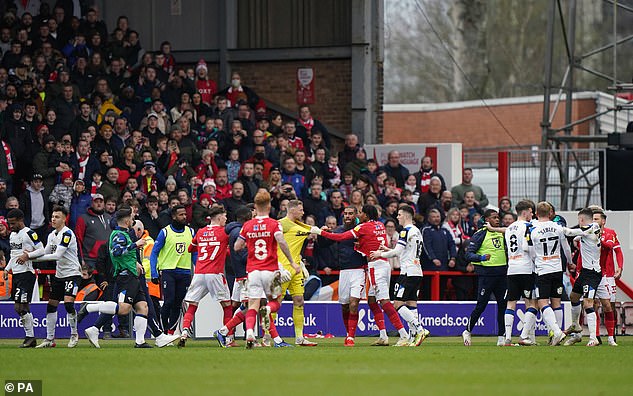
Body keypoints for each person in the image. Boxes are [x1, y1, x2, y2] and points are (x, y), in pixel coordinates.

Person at [311, 204, 410, 346]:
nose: (359, 215)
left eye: (361, 213)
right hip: (380, 264)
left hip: (375, 267)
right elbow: (372, 243)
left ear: (366, 215)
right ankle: (383, 336)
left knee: (384, 301)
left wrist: (320, 232)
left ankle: (404, 334)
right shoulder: (380, 225)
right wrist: (360, 246)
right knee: (371, 300)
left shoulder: (362, 227)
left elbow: (341, 237)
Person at [216, 191, 299, 349]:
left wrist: (250, 245)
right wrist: (291, 262)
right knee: (273, 303)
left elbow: (236, 247)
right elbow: (281, 242)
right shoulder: (274, 224)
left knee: (252, 305)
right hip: (270, 270)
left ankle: (248, 334)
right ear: (268, 206)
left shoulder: (247, 225)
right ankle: (269, 330)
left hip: (252, 272)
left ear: (255, 206)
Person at [83, 207, 152, 348]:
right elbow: (117, 252)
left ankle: (140, 342)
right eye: (132, 218)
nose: (133, 220)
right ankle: (90, 307)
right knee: (124, 309)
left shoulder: (124, 233)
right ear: (127, 221)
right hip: (125, 276)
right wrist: (135, 245)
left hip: (132, 275)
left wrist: (136, 263)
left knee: (143, 307)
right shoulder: (118, 235)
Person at [22, 206, 82, 348]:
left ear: (64, 219)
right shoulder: (51, 235)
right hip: (59, 275)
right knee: (51, 306)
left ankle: (74, 334)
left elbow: (56, 255)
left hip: (72, 273)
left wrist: (29, 257)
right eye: (53, 216)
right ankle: (49, 339)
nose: (53, 219)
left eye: (57, 217)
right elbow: (44, 252)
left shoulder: (67, 234)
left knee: (68, 304)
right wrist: (30, 255)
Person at [370, 205, 429, 346]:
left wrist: (380, 254)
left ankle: (420, 329)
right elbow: (405, 251)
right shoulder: (417, 231)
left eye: (399, 214)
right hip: (417, 271)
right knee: (411, 303)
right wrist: (389, 249)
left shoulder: (405, 231)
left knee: (397, 304)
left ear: (406, 216)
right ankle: (412, 337)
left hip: (407, 272)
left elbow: (397, 253)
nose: (398, 217)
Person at [179, 206, 232, 347]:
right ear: (219, 217)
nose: (226, 220)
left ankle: (184, 332)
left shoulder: (201, 231)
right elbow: (229, 251)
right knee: (227, 305)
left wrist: (205, 246)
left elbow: (191, 249)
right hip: (214, 273)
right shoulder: (224, 232)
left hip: (199, 273)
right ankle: (227, 338)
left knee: (192, 304)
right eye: (225, 217)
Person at [526, 201, 572, 347]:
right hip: (557, 269)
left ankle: (556, 332)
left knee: (542, 302)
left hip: (543, 269)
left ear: (537, 213)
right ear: (550, 213)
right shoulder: (558, 227)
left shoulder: (533, 229)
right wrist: (570, 262)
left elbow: (531, 251)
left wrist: (536, 261)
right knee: (556, 302)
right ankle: (555, 335)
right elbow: (566, 248)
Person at [273, 200, 317, 346]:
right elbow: (272, 243)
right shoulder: (281, 224)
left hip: (296, 269)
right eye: (301, 210)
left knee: (299, 301)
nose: (303, 213)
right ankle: (267, 337)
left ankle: (299, 337)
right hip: (282, 270)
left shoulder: (301, 226)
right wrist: (277, 265)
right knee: (276, 303)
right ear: (292, 210)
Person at [461, 209, 508, 347]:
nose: (497, 220)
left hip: (502, 275)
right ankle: (467, 331)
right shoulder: (480, 234)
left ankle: (501, 337)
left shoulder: (501, 233)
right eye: (494, 218)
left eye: (498, 217)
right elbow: (468, 255)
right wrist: (480, 258)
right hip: (487, 276)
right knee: (481, 306)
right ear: (487, 220)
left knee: (503, 306)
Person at [499, 200, 539, 345]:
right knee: (532, 304)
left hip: (512, 269)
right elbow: (527, 247)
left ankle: (507, 337)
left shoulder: (509, 228)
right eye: (531, 212)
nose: (532, 215)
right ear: (526, 211)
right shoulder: (528, 226)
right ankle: (524, 336)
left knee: (511, 303)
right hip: (526, 268)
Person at [561, 208, 603, 347]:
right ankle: (576, 328)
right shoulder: (594, 227)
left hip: (592, 273)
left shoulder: (589, 228)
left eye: (579, 220)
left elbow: (569, 232)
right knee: (574, 297)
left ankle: (593, 338)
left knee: (588, 303)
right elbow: (579, 237)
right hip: (585, 272)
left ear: (582, 220)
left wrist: (555, 226)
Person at [3, 209, 44, 348]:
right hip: (17, 275)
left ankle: (30, 337)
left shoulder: (29, 233)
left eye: (13, 223)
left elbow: (41, 249)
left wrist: (28, 256)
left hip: (27, 273)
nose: (11, 226)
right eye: (9, 223)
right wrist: (7, 268)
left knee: (19, 306)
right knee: (22, 306)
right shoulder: (13, 235)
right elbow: (14, 255)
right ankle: (30, 338)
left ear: (21, 220)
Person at [150, 205, 194, 335]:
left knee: (178, 304)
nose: (184, 217)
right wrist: (154, 272)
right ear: (174, 216)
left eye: (185, 214)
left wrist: (197, 269)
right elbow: (154, 253)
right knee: (168, 302)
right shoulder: (165, 232)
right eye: (181, 215)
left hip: (185, 272)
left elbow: (195, 253)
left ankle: (170, 332)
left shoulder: (190, 232)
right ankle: (163, 332)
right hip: (168, 271)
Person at [588, 208, 622, 346]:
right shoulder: (588, 233)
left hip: (608, 275)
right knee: (593, 304)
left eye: (596, 219)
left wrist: (620, 267)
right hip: (593, 273)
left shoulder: (610, 233)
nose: (594, 221)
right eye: (593, 218)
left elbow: (617, 251)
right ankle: (596, 336)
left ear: (603, 221)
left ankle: (612, 334)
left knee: (610, 306)